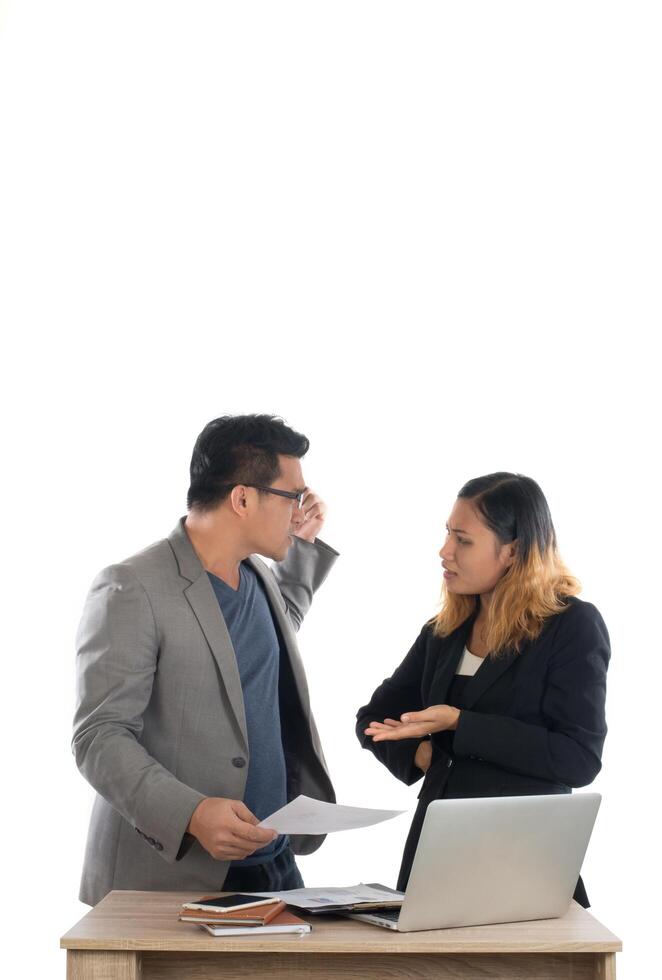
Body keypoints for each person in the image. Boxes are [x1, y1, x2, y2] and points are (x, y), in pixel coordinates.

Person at [73, 414, 338, 906]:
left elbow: (266, 637)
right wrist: (191, 813)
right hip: (172, 879)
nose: (302, 507)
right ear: (242, 499)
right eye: (292, 496)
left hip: (274, 864)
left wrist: (301, 546)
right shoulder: (132, 586)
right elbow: (99, 736)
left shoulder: (256, 576)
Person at [356, 472, 609, 908]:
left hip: (526, 863)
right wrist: (425, 756)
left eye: (463, 540)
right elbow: (372, 719)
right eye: (446, 536)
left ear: (512, 551)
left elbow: (578, 759)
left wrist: (459, 724)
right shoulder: (443, 632)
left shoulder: (571, 626)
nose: (445, 551)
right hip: (435, 858)